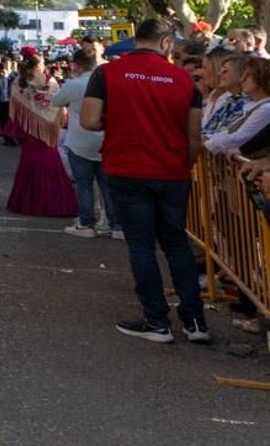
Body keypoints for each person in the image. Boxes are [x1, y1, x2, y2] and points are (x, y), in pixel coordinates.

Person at [80, 18, 208, 344]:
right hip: (173, 172)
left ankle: (157, 321)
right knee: (177, 244)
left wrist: (121, 119)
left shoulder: (106, 73)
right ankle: (195, 322)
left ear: (136, 39)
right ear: (166, 42)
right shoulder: (184, 79)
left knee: (141, 246)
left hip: (127, 168)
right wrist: (184, 165)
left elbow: (90, 120)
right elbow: (194, 137)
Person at [4, 49, 79, 217]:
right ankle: (53, 203)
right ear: (38, 63)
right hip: (49, 129)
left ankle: (28, 203)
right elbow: (58, 105)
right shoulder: (50, 81)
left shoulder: (18, 82)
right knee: (50, 160)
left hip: (28, 129)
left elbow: (15, 108)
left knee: (29, 161)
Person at [57, 49, 121, 240]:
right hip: (105, 138)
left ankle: (86, 223)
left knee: (84, 184)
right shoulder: (109, 81)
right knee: (107, 185)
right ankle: (116, 225)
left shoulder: (74, 84)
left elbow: (56, 101)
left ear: (77, 65)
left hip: (80, 141)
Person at [204, 56, 270, 155]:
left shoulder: (266, 108)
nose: (242, 80)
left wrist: (207, 143)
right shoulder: (253, 105)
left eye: (247, 75)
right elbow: (229, 131)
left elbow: (241, 137)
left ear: (260, 78)